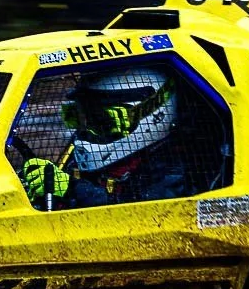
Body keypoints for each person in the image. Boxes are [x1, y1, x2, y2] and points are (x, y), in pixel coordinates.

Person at [20, 66, 199, 209]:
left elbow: (138, 220)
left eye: (101, 121)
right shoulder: (82, 161)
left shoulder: (170, 171)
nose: (87, 130)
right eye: (79, 117)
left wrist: (71, 189)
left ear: (152, 116)